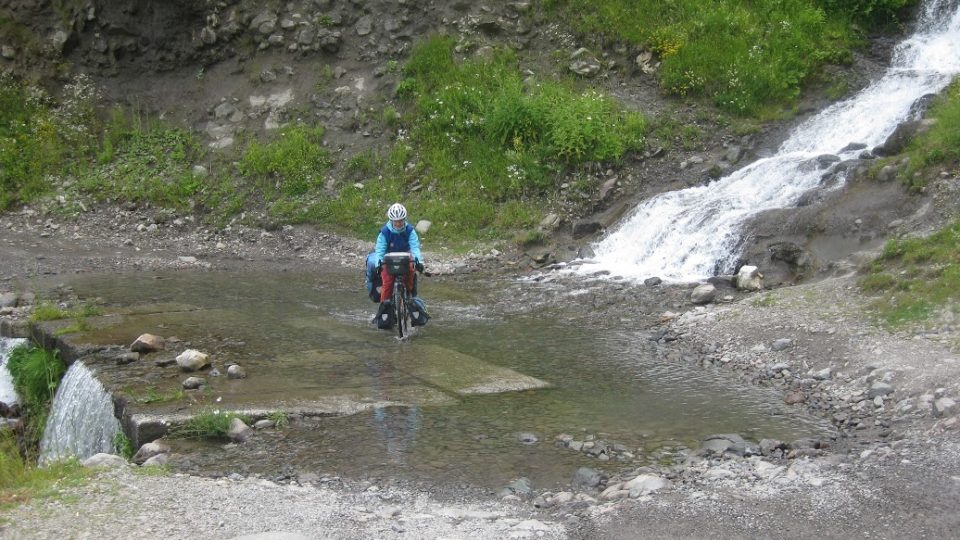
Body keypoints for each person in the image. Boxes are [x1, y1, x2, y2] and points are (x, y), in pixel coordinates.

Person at [372, 203, 426, 328]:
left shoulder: (410, 231)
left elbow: (415, 248)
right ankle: (384, 309)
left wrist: (419, 262)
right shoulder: (384, 232)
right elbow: (380, 250)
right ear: (391, 220)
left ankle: (410, 297)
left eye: (400, 221)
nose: (398, 224)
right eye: (395, 221)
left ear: (404, 219)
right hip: (389, 259)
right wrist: (378, 263)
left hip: (405, 258)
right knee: (387, 282)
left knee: (410, 273)